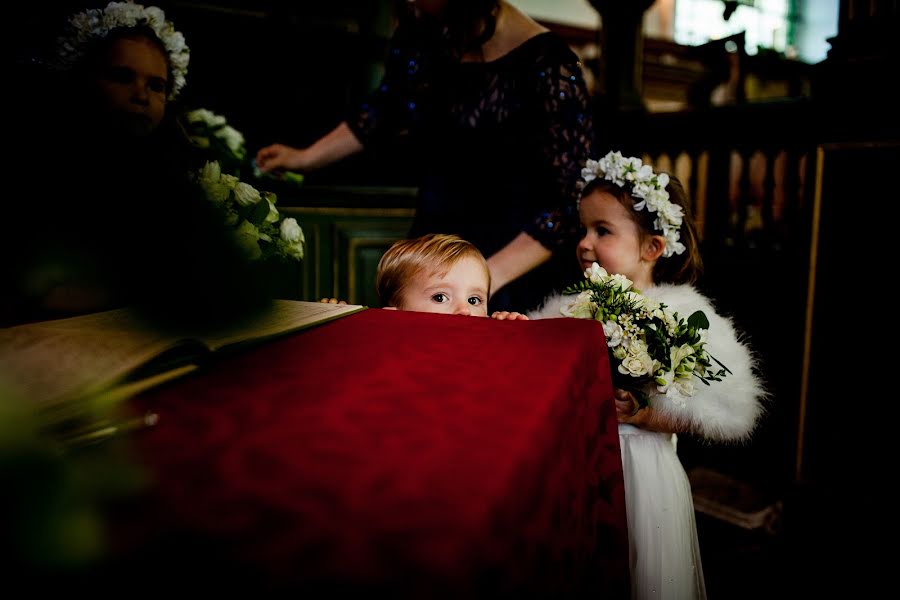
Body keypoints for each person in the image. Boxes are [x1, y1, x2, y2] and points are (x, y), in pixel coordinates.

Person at [528, 152, 766, 599]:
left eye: (602, 231)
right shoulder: (570, 306)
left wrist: (647, 414)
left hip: (640, 470)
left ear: (652, 248)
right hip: (577, 465)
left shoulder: (681, 313)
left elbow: (724, 408)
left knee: (640, 570)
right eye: (583, 229)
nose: (583, 242)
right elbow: (538, 360)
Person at [256, 0, 594, 313]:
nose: (415, 3)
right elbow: (384, 110)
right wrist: (305, 157)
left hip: (512, 260)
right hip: (435, 236)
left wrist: (476, 284)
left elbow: (564, 205)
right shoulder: (423, 28)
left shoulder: (550, 65)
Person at [4, 1, 260, 327]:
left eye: (157, 85)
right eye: (122, 77)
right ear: (84, 79)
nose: (141, 94)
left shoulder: (168, 175)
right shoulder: (40, 168)